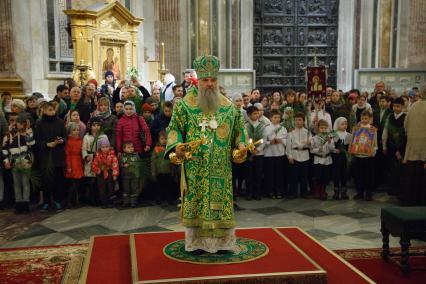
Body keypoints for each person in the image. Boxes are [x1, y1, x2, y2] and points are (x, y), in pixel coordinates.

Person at [165, 54, 247, 254]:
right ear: (198, 81)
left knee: (219, 204)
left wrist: (241, 148)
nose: (209, 84)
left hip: (221, 168)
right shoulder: (184, 105)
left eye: (212, 80)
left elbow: (240, 132)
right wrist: (176, 147)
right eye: (205, 80)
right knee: (197, 203)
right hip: (196, 169)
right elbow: (174, 129)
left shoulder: (229, 107)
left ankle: (222, 244)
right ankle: (197, 243)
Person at [35, 101, 67, 212]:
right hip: (45, 156)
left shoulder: (60, 122)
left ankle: (58, 201)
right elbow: (37, 141)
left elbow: (65, 137)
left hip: (58, 155)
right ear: (43, 110)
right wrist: (46, 144)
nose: (52, 111)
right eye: (49, 109)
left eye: (53, 109)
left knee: (58, 180)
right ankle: (47, 202)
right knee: (46, 180)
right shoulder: (39, 123)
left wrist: (61, 140)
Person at [2, 113, 35, 214]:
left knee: (25, 182)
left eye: (21, 123)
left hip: (25, 162)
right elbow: (4, 149)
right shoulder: (9, 134)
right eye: (14, 121)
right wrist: (6, 160)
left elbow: (32, 143)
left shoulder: (27, 133)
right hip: (14, 162)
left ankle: (26, 203)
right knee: (16, 183)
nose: (17, 124)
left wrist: (28, 131)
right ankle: (18, 203)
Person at [402, 86, 426, 205]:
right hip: (424, 150)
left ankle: (410, 202)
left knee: (411, 179)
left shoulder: (414, 106)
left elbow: (405, 125)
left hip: (412, 148)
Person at [382, 97, 406, 197]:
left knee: (399, 169)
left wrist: (400, 150)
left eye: (398, 106)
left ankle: (398, 190)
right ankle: (390, 188)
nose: (396, 108)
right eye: (394, 106)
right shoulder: (390, 116)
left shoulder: (406, 117)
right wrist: (384, 146)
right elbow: (385, 131)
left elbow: (406, 134)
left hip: (401, 147)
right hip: (390, 146)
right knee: (390, 168)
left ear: (403, 107)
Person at [352, 110, 377, 201]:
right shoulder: (357, 128)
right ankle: (360, 193)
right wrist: (353, 148)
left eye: (366, 118)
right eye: (362, 118)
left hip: (368, 156)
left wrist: (373, 151)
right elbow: (354, 140)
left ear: (370, 119)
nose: (364, 120)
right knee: (359, 175)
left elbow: (374, 142)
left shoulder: (372, 129)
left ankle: (368, 193)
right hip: (358, 156)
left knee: (368, 176)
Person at [82, 117, 107, 206]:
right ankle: (91, 199)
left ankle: (100, 198)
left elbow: (106, 149)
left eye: (98, 125)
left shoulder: (103, 136)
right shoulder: (86, 137)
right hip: (90, 159)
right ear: (90, 126)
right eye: (94, 125)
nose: (96, 127)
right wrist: (86, 156)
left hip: (100, 159)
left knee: (99, 181)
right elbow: (84, 149)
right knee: (91, 181)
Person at [264, 110, 287, 199]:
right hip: (269, 154)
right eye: (275, 118)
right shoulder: (266, 128)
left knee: (279, 174)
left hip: (280, 153)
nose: (277, 119)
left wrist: (281, 141)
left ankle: (278, 191)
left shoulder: (283, 128)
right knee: (270, 174)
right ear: (270, 118)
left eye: (278, 117)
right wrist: (269, 142)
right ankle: (269, 191)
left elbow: (287, 140)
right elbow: (262, 141)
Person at [286, 112, 310, 198]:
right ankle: (293, 193)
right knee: (294, 176)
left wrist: (308, 143)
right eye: (296, 120)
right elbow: (288, 145)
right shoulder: (291, 132)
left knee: (304, 176)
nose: (297, 122)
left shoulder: (307, 132)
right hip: (294, 155)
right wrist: (289, 156)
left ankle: (304, 193)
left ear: (304, 121)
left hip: (304, 155)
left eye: (300, 120)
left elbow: (311, 144)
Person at [245, 105, 266, 200]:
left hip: (259, 153)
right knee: (249, 174)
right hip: (249, 153)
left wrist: (258, 149)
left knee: (258, 173)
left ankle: (257, 193)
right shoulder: (246, 126)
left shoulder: (262, 125)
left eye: (257, 113)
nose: (257, 115)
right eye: (254, 113)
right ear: (249, 115)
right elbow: (245, 139)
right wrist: (250, 149)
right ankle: (249, 192)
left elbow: (264, 139)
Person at [310, 119, 335, 200]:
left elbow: (332, 149)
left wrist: (330, 142)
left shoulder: (329, 137)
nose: (323, 130)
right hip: (318, 159)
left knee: (325, 177)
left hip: (327, 159)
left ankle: (323, 191)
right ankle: (317, 191)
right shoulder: (314, 138)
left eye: (325, 128)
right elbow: (311, 150)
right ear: (318, 128)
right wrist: (318, 150)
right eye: (321, 128)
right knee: (318, 177)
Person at [92, 136, 119, 208]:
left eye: (107, 146)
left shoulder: (112, 155)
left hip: (110, 172)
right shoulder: (97, 155)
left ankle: (111, 202)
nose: (105, 148)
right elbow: (94, 164)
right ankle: (104, 202)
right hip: (101, 173)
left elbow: (115, 164)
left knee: (110, 187)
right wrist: (97, 170)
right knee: (102, 188)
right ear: (100, 148)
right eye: (103, 147)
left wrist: (114, 174)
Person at [151, 131, 176, 204]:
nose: (164, 141)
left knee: (169, 186)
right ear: (159, 139)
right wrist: (153, 172)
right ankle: (160, 198)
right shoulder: (156, 149)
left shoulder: (170, 148)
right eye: (162, 139)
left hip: (169, 171)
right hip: (159, 171)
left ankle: (170, 199)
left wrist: (173, 170)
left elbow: (173, 159)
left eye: (166, 139)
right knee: (159, 186)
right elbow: (153, 161)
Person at [65, 122, 84, 208]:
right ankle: (70, 202)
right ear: (70, 131)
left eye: (77, 130)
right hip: (72, 162)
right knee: (72, 184)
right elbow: (67, 154)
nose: (76, 132)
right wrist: (68, 166)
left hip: (78, 161)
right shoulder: (68, 141)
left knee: (78, 184)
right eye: (74, 130)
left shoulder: (80, 140)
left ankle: (76, 201)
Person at [331, 117, 351, 200]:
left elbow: (350, 147)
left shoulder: (349, 135)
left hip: (345, 158)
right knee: (336, 174)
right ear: (337, 125)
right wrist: (334, 150)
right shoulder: (333, 134)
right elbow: (330, 146)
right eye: (342, 124)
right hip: (336, 157)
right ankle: (336, 193)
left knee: (344, 174)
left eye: (346, 124)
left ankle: (344, 193)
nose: (344, 126)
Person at [120, 141, 141, 208]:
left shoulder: (136, 155)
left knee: (134, 189)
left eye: (132, 147)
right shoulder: (122, 156)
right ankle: (126, 202)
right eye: (128, 147)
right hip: (125, 176)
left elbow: (139, 163)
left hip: (134, 176)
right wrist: (123, 165)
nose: (131, 149)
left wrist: (133, 164)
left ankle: (133, 202)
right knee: (126, 189)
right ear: (124, 149)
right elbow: (119, 164)